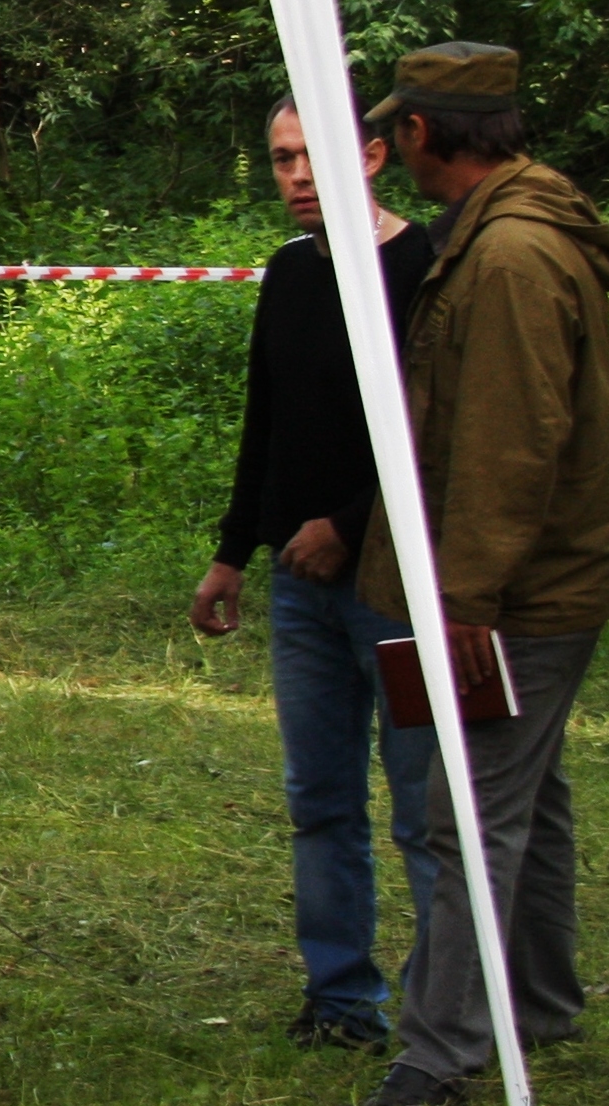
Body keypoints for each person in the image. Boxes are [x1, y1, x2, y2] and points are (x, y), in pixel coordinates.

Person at [345, 44, 609, 1106]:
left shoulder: (508, 254)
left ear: (419, 133)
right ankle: (539, 1003)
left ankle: (443, 1052)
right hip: (534, 576)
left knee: (465, 808)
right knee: (527, 796)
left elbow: (512, 442)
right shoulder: (512, 230)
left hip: (519, 589)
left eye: (393, 131)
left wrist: (465, 596)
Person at [186, 101, 438, 1050]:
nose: (296, 174)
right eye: (281, 157)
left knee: (425, 807)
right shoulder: (291, 272)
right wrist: (232, 551)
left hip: (401, 583)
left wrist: (351, 526)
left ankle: (443, 1007)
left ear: (370, 154)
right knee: (321, 800)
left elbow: (440, 433)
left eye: (313, 154)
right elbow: (269, 421)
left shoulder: (425, 267)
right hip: (299, 587)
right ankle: (340, 1000)